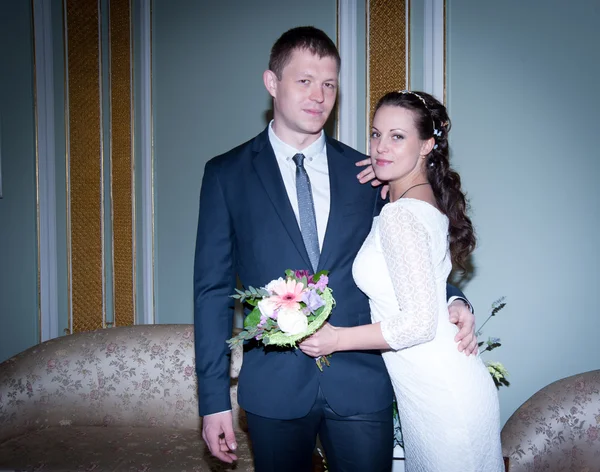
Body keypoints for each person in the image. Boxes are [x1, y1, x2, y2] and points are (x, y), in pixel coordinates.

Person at [194, 27, 477, 472]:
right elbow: (211, 293)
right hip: (274, 389)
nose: (318, 96)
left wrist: (455, 299)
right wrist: (212, 402)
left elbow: (407, 260)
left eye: (329, 84)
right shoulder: (226, 175)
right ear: (272, 83)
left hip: (362, 383)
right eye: (304, 81)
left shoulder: (368, 173)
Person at [299, 90, 504, 471]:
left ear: (427, 144)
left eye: (397, 137)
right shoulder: (416, 202)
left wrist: (336, 339)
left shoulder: (400, 216)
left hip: (443, 398)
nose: (380, 147)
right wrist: (455, 302)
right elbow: (425, 286)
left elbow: (418, 324)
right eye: (376, 134)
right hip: (444, 391)